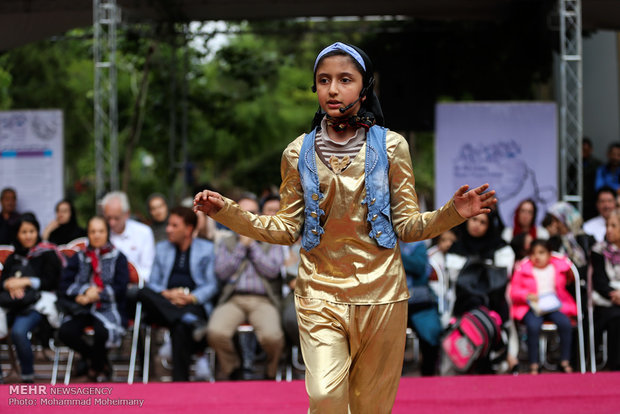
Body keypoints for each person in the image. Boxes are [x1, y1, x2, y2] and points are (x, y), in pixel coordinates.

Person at [194, 42, 495, 412]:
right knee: (324, 395)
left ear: (365, 88)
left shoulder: (391, 147)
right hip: (319, 292)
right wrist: (228, 212)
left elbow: (408, 226)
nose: (333, 89)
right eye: (324, 80)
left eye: (344, 79)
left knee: (371, 407)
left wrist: (454, 212)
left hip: (382, 294)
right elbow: (287, 229)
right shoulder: (297, 152)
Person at [204, 194, 285, 381]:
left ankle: (270, 373)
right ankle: (234, 369)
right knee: (216, 333)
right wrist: (241, 247)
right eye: (243, 213)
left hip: (263, 300)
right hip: (234, 298)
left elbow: (272, 271)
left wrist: (253, 246)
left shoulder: (273, 238)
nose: (248, 217)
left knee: (273, 337)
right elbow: (222, 273)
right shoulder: (227, 241)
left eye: (253, 212)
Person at [137, 206, 218, 381]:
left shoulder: (206, 248)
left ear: (188, 229)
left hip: (192, 303)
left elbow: (212, 284)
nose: (168, 229)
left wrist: (191, 297)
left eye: (174, 226)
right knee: (142, 292)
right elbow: (153, 283)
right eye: (168, 225)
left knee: (180, 327)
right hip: (165, 303)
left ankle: (180, 384)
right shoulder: (162, 248)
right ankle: (187, 319)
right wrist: (167, 294)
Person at [57, 216, 129, 382]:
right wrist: (83, 292)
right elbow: (65, 284)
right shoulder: (79, 256)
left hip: (108, 307)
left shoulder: (118, 257)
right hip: (82, 306)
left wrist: (98, 294)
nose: (97, 235)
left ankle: (94, 368)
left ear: (107, 233)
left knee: (102, 333)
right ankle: (98, 361)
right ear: (88, 234)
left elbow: (121, 287)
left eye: (101, 231)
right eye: (93, 231)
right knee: (65, 332)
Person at [446, 213, 515, 373]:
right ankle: (495, 351)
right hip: (464, 298)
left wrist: (473, 268)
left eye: (483, 222)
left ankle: (492, 354)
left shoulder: (500, 247)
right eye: (474, 220)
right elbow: (457, 277)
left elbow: (503, 276)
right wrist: (483, 268)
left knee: (490, 306)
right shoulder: (457, 247)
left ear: (489, 226)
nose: (477, 225)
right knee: (475, 303)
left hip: (494, 298)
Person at [0, 213, 62, 383]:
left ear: (37, 231)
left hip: (36, 303)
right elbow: (3, 281)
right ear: (17, 235)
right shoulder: (13, 257)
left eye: (32, 231)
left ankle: (27, 375)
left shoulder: (46, 253)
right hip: (11, 302)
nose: (28, 236)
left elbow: (51, 281)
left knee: (19, 332)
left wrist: (27, 281)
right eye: (24, 232)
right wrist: (10, 285)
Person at [509, 239, 577, 374]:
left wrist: (568, 274)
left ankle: (565, 361)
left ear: (549, 254)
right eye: (533, 253)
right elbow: (513, 291)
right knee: (533, 326)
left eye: (541, 253)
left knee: (565, 324)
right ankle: (534, 364)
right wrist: (527, 295)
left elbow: (569, 279)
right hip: (532, 307)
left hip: (554, 306)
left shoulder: (558, 267)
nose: (537, 257)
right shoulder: (523, 268)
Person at [401, 240, 441, 376]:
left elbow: (418, 267)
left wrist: (394, 254)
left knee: (431, 330)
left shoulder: (417, 244)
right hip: (391, 303)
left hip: (418, 302)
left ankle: (429, 376)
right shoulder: (379, 240)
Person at [100, 191, 155, 281]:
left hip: (135, 287)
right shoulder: (99, 232)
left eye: (116, 218)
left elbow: (148, 269)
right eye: (108, 218)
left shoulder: (143, 232)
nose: (111, 223)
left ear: (127, 214)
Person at [590, 208, 620, 370]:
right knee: (616, 316)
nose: (609, 230)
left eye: (614, 226)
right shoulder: (599, 250)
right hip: (607, 302)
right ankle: (615, 365)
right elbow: (599, 281)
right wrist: (615, 295)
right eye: (607, 225)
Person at [582, 137, 603, 221]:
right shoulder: (574, 164)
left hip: (592, 199)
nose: (584, 152)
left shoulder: (597, 164)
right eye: (582, 149)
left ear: (591, 150)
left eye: (586, 150)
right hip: (579, 200)